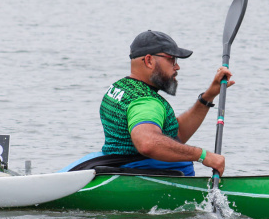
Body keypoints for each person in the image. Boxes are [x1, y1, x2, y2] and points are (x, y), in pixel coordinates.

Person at [98, 30, 233, 176]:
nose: (177, 67)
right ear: (149, 61)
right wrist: (203, 156)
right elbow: (148, 143)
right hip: (149, 186)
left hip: (123, 167)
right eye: (172, 59)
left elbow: (175, 135)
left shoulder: (119, 88)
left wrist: (209, 95)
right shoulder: (146, 102)